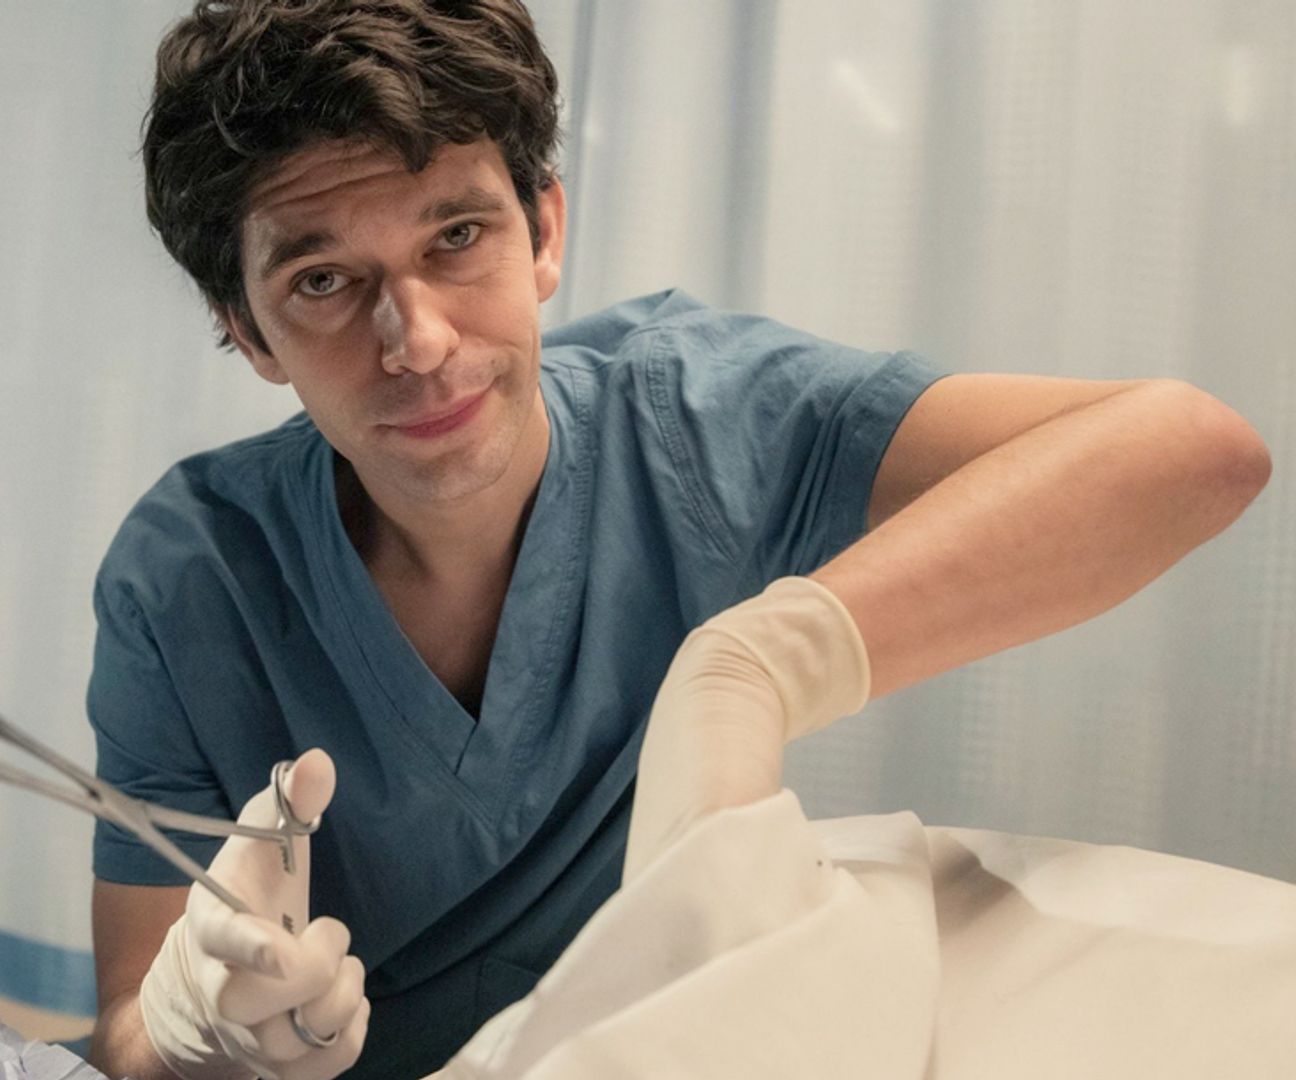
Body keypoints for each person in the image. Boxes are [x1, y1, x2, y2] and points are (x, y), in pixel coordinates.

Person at [81, 3, 1273, 1079]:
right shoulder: (192, 579)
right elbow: (126, 1028)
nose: (421, 340)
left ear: (543, 229)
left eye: (457, 239)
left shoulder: (699, 423)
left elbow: (1190, 452)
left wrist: (763, 660)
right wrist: (202, 1033)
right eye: (327, 280)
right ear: (248, 333)